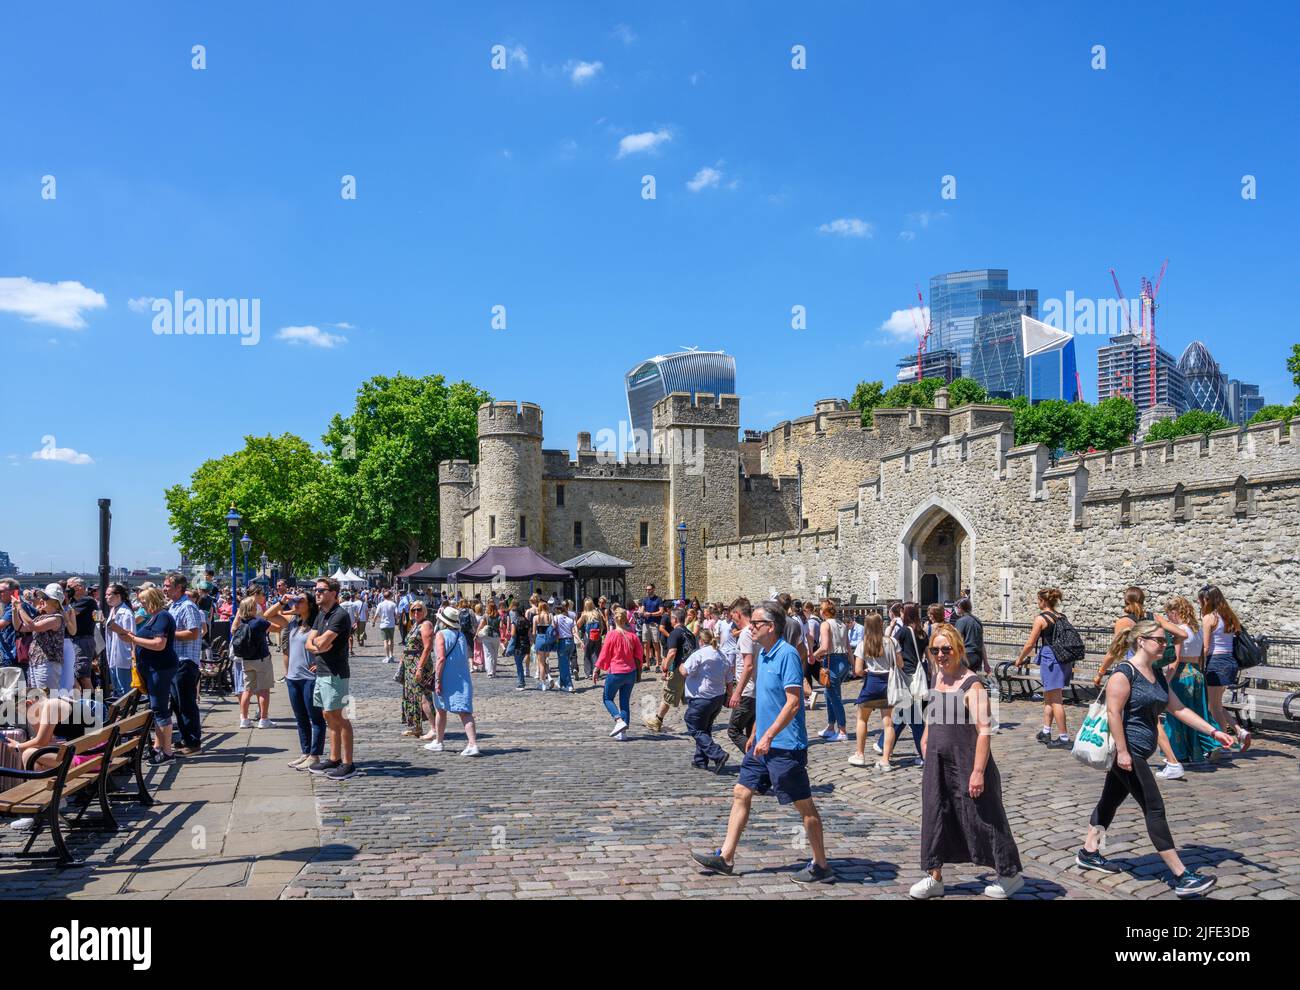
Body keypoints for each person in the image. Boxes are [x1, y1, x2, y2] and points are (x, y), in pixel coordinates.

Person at [1074, 620, 1235, 897]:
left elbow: (1179, 708)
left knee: (1110, 800)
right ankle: (1181, 875)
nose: (1166, 645)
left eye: (1166, 640)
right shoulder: (1123, 674)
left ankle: (1089, 851)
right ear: (1142, 641)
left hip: (1137, 752)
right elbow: (1113, 714)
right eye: (1160, 640)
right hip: (1128, 753)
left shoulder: (1157, 674)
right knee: (1154, 808)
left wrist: (1213, 730)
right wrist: (1123, 753)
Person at [691, 601, 833, 883]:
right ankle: (726, 857)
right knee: (741, 793)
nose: (749, 627)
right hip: (762, 745)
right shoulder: (764, 654)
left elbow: (793, 703)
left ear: (770, 627)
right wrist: (756, 731)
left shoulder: (787, 655)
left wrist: (768, 735)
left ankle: (821, 865)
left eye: (755, 623)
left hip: (785, 747)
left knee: (805, 807)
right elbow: (767, 700)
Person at [909, 624, 1024, 899]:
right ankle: (934, 875)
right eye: (935, 649)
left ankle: (1009, 874)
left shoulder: (972, 684)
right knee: (936, 814)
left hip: (967, 761)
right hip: (938, 761)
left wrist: (978, 772)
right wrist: (925, 736)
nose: (940, 654)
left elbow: (984, 731)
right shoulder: (937, 677)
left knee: (984, 816)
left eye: (946, 649)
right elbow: (934, 713)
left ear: (958, 649)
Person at [107, 586, 178, 763]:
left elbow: (159, 644)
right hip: (154, 668)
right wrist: (126, 634)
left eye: (144, 602)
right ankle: (157, 747)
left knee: (160, 709)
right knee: (157, 708)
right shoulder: (155, 617)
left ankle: (167, 752)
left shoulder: (162, 616)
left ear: (153, 600)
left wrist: (132, 638)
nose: (142, 605)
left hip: (159, 668)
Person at [1158, 595, 1221, 772]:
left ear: (1175, 612)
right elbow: (1202, 654)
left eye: (1169, 613)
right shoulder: (1197, 629)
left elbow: (1175, 659)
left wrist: (1166, 681)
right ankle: (1209, 744)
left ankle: (1180, 753)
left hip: (1182, 675)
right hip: (1197, 674)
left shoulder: (1179, 630)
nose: (1168, 617)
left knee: (1177, 714)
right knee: (1199, 712)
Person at [264, 591, 326, 771]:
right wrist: (282, 601)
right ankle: (305, 752)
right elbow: (268, 616)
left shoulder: (317, 624)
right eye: (295, 600)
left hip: (309, 677)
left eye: (300, 601)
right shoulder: (292, 623)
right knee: (300, 718)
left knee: (315, 718)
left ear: (310, 605)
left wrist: (319, 661)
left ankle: (314, 755)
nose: (296, 603)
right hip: (293, 677)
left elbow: (328, 644)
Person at [306, 577, 357, 780]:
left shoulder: (339, 615)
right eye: (316, 590)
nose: (316, 593)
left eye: (321, 590)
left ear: (333, 593)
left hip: (336, 672)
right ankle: (334, 757)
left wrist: (318, 644)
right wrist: (317, 645)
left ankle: (348, 763)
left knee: (340, 716)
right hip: (322, 670)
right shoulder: (322, 615)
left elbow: (323, 641)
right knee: (328, 715)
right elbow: (310, 643)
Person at [1012, 589, 1072, 749]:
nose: (1037, 603)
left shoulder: (1041, 619)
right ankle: (1046, 731)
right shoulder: (1061, 617)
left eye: (1038, 600)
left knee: (1056, 700)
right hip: (1062, 659)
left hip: (1051, 659)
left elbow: (1030, 643)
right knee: (1049, 696)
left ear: (1043, 601)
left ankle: (1064, 737)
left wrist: (1020, 659)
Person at [1198, 585, 1251, 753]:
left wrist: (1199, 664)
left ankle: (1224, 742)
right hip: (1230, 661)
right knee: (1217, 704)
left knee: (1213, 706)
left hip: (1216, 662)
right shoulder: (1229, 616)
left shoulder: (1209, 618)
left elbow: (1206, 647)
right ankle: (1239, 731)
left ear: (1207, 600)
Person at [424, 605, 480, 756]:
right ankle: (468, 743)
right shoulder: (460, 635)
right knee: (463, 711)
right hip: (461, 678)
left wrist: (437, 680)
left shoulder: (441, 634)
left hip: (446, 677)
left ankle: (442, 742)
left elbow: (441, 658)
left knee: (441, 710)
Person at [848, 612, 901, 770]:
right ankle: (885, 759)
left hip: (871, 682)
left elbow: (857, 670)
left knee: (862, 719)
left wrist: (866, 670)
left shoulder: (863, 644)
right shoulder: (892, 642)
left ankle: (860, 754)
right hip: (888, 683)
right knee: (888, 723)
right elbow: (900, 664)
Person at [162, 573, 205, 754]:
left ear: (179, 587)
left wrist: (167, 634)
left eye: (167, 586)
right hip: (176, 660)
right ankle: (185, 738)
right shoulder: (174, 606)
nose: (164, 589)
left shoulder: (187, 606)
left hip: (185, 661)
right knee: (178, 703)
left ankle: (193, 742)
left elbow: (194, 633)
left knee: (186, 703)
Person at [681, 628, 730, 772]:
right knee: (705, 728)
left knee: (694, 727)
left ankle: (718, 754)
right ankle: (701, 760)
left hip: (701, 698)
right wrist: (729, 696)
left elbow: (685, 672)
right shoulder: (722, 655)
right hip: (717, 698)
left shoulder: (699, 654)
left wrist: (680, 666)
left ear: (701, 640)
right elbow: (729, 679)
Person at [12, 584, 73, 693]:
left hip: (48, 663)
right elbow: (19, 627)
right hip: (37, 662)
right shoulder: (42, 617)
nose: (41, 600)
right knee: (37, 698)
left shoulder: (56, 618)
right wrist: (14, 611)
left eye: (45, 598)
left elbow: (33, 626)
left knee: (46, 698)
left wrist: (20, 608)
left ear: (55, 602)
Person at [644, 607, 696, 733]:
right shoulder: (690, 633)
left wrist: (665, 667)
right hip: (690, 670)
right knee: (691, 698)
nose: (670, 621)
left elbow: (672, 652)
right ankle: (699, 719)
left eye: (671, 618)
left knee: (667, 696)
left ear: (675, 619)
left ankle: (657, 721)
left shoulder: (674, 633)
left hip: (678, 669)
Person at [596, 608, 642, 740]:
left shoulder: (611, 635)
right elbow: (639, 655)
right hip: (630, 673)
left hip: (616, 672)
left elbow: (604, 653)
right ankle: (623, 733)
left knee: (607, 698)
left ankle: (618, 720)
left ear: (614, 619)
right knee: (624, 702)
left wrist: (596, 669)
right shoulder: (633, 636)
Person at [890, 602, 927, 760]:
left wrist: (890, 628)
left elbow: (890, 644)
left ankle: (925, 753)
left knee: (913, 717)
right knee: (902, 715)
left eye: (902, 612)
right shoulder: (922, 633)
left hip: (906, 675)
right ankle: (885, 745)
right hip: (917, 675)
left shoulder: (904, 631)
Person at [231, 595, 275, 728]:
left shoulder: (240, 624)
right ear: (252, 609)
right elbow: (275, 627)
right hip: (261, 659)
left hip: (246, 661)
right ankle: (264, 719)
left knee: (247, 690)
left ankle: (244, 719)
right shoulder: (259, 622)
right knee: (264, 690)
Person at [811, 599, 851, 742]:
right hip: (843, 661)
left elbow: (825, 646)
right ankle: (830, 726)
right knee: (829, 694)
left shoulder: (825, 624)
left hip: (832, 661)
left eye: (821, 609)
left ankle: (842, 729)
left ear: (824, 611)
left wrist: (813, 655)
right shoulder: (842, 624)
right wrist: (851, 663)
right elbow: (848, 646)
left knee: (835, 697)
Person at [726, 599, 759, 755]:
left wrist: (737, 692)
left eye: (733, 616)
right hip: (756, 690)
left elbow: (748, 665)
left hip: (747, 691)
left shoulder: (746, 633)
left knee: (734, 730)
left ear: (738, 614)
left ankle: (757, 762)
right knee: (751, 734)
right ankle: (755, 770)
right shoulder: (755, 631)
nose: (733, 621)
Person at [403, 601, 437, 740]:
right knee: (412, 697)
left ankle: (434, 728)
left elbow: (428, 647)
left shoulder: (426, 625)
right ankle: (416, 727)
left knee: (424, 696)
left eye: (419, 610)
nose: (416, 612)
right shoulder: (415, 625)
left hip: (419, 665)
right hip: (410, 665)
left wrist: (420, 668)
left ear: (424, 611)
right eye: (413, 610)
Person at [64, 577, 98, 691]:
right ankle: (83, 704)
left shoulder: (87, 600)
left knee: (83, 676)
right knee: (76, 675)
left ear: (79, 587)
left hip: (83, 641)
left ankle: (94, 705)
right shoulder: (73, 602)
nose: (67, 590)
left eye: (69, 587)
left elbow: (70, 614)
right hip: (75, 640)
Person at [103, 583, 136, 699]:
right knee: (117, 688)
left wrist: (132, 658)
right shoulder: (113, 610)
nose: (106, 597)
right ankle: (120, 714)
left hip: (124, 656)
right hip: (113, 654)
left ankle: (127, 714)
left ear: (118, 596)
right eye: (105, 595)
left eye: (109, 594)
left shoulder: (126, 613)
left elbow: (132, 636)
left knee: (125, 689)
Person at [577, 598, 606, 682]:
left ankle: (588, 673)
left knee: (587, 654)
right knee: (596, 654)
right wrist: (600, 633)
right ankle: (596, 671)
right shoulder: (597, 613)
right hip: (597, 636)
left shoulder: (585, 614)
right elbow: (602, 625)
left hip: (588, 636)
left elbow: (578, 625)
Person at [532, 599, 558, 691]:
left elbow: (534, 632)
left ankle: (542, 683)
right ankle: (550, 677)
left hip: (540, 638)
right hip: (548, 640)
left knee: (541, 663)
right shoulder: (550, 615)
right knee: (546, 661)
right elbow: (554, 627)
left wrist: (534, 642)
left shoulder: (536, 617)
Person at [553, 600, 577, 692]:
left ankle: (569, 684)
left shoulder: (556, 618)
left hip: (562, 642)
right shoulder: (571, 619)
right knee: (565, 663)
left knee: (564, 665)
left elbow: (553, 628)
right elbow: (574, 631)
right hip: (570, 641)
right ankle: (560, 681)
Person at [640, 584, 664, 669]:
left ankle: (658, 664)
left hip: (655, 624)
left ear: (653, 589)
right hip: (646, 624)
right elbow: (642, 609)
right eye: (646, 589)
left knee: (655, 644)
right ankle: (647, 664)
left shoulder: (659, 599)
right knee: (646, 644)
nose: (647, 591)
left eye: (649, 589)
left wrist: (650, 614)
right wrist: (642, 613)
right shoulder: (645, 599)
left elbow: (661, 612)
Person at [477, 599, 502, 678]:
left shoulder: (486, 616)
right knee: (495, 654)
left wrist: (476, 634)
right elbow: (500, 626)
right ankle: (493, 671)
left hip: (487, 636)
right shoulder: (499, 616)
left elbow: (481, 625)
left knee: (488, 654)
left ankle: (490, 672)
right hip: (496, 636)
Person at [375, 591, 399, 662]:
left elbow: (376, 614)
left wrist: (373, 621)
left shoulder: (380, 604)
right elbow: (397, 613)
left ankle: (387, 656)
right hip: (391, 624)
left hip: (383, 625)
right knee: (391, 640)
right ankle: (391, 655)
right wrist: (397, 620)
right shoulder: (393, 604)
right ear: (390, 596)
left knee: (385, 641)